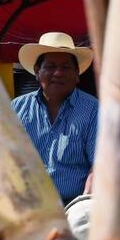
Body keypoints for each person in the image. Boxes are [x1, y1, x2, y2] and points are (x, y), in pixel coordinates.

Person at [13, 32, 98, 205]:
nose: (58, 73)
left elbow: (99, 166)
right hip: (26, 205)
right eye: (50, 66)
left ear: (77, 74)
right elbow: (3, 161)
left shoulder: (92, 110)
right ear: (37, 72)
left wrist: (82, 207)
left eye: (66, 67)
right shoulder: (17, 108)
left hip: (74, 205)